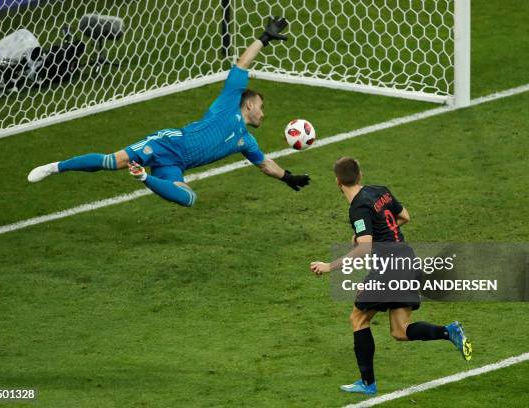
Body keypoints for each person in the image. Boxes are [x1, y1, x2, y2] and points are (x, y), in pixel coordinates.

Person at [28, 17, 310, 206]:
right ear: (248, 104)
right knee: (113, 161)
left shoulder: (246, 141)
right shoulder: (228, 103)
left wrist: (288, 178)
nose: (263, 113)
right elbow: (241, 65)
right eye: (261, 107)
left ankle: (144, 178)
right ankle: (55, 167)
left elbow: (264, 164)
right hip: (168, 142)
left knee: (188, 198)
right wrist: (264, 38)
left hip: (176, 164)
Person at [309, 157, 472, 395]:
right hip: (406, 259)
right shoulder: (380, 191)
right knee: (400, 331)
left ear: (337, 182)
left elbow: (364, 247)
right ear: (361, 175)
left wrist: (329, 266)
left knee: (358, 319)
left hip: (389, 267)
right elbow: (405, 216)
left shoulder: (358, 208)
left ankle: (368, 384)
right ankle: (449, 331)